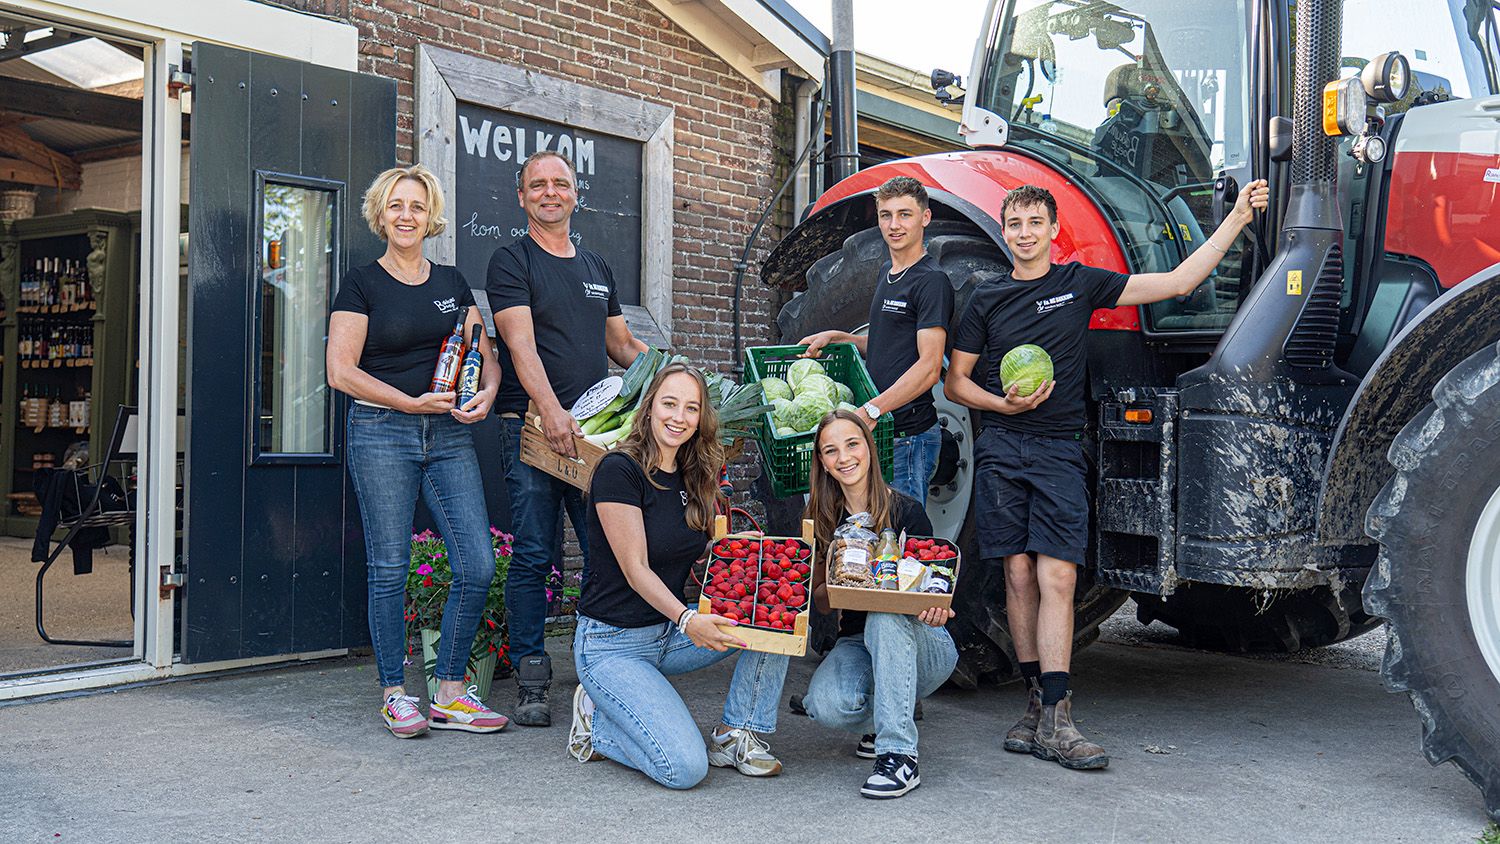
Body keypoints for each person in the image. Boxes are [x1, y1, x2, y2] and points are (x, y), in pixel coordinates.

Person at [945, 180, 1270, 769]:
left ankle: (1060, 713)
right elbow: (956, 382)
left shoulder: (1079, 284)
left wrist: (1237, 221)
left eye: (1033, 223)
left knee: (1059, 577)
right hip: (1002, 447)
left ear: (1051, 230)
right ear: (1005, 230)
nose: (1023, 234)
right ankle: (1035, 703)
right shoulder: (986, 300)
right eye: (1013, 224)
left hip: (1058, 449)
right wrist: (1001, 406)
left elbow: (1176, 284)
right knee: (1017, 575)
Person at [327, 164, 509, 738]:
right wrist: (408, 404)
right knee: (389, 566)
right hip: (383, 429)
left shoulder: (452, 283)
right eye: (397, 205)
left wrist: (487, 393)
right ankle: (395, 692)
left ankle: (450, 690)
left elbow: (485, 352)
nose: (407, 215)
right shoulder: (361, 283)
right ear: (381, 214)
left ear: (432, 217)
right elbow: (340, 372)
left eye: (418, 206)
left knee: (477, 562)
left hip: (450, 433)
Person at [565, 364, 791, 788]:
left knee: (773, 617)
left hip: (667, 633)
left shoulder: (693, 474)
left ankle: (735, 732)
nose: (678, 417)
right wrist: (689, 619)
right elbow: (635, 570)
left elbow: (689, 554)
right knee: (684, 768)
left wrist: (738, 564)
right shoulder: (620, 470)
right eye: (669, 403)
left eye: (691, 408)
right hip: (611, 646)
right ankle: (594, 719)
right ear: (649, 407)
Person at [488, 150, 650, 726]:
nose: (550, 193)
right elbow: (520, 346)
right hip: (534, 429)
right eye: (538, 185)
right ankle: (532, 672)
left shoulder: (596, 267)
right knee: (534, 552)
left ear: (575, 194)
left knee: (606, 551)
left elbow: (623, 346)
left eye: (560, 184)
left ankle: (602, 663)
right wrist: (553, 412)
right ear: (523, 196)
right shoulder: (512, 262)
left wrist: (676, 373)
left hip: (592, 439)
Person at [800, 408, 958, 799]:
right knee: (824, 705)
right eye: (831, 450)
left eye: (852, 444)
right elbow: (821, 604)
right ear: (822, 461)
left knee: (886, 614)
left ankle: (899, 756)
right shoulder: (821, 518)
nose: (844, 458)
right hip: (858, 642)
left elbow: (933, 587)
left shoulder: (907, 511)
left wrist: (936, 609)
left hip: (922, 641)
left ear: (869, 448)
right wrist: (837, 583)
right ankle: (884, 718)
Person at [798, 176, 954, 503]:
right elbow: (887, 344)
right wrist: (840, 337)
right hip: (883, 434)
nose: (894, 225)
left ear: (925, 218)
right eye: (886, 215)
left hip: (908, 438)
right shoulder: (887, 272)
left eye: (904, 215)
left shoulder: (931, 281)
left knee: (899, 537)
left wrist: (871, 410)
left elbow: (928, 367)